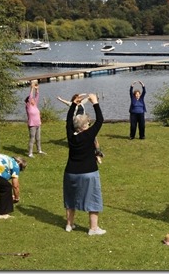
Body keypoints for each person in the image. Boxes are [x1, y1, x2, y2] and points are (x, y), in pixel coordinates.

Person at [63, 93, 106, 235]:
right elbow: (100, 120)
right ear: (84, 126)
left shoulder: (71, 136)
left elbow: (68, 121)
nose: (89, 124)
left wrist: (74, 104)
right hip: (88, 172)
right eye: (87, 123)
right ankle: (93, 228)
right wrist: (95, 102)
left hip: (71, 173)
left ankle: (69, 225)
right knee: (93, 198)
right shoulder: (89, 135)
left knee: (70, 198)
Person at [25, 82, 44, 157]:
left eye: (33, 99)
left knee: (38, 138)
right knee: (32, 139)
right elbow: (31, 96)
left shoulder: (35, 105)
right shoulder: (28, 106)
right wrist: (32, 88)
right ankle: (30, 153)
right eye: (31, 99)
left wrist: (37, 89)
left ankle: (39, 150)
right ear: (28, 102)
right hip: (32, 125)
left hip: (38, 124)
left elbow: (37, 96)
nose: (33, 100)